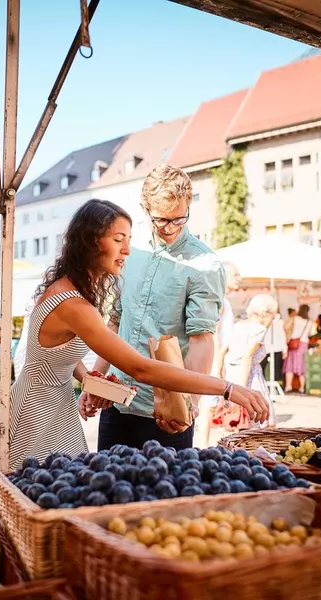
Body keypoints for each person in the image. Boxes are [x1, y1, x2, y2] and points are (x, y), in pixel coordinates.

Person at [0, 199, 268, 490]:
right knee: (39, 504)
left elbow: (55, 353)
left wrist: (87, 378)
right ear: (91, 241)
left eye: (128, 239)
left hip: (53, 407)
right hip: (36, 414)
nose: (127, 250)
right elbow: (140, 368)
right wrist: (227, 388)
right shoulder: (74, 305)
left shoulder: (70, 290)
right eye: (118, 240)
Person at [80, 165, 227, 451]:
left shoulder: (205, 264)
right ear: (145, 209)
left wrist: (191, 405)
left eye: (179, 219)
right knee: (108, 491)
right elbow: (114, 323)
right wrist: (93, 381)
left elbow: (201, 340)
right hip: (117, 402)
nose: (170, 228)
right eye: (161, 220)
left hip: (167, 412)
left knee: (164, 494)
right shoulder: (130, 252)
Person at [216, 294, 277, 430]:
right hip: (249, 377)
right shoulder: (259, 329)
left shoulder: (237, 325)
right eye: (274, 314)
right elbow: (246, 358)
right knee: (258, 423)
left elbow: (223, 351)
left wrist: (220, 374)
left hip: (231, 376)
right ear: (266, 314)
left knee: (235, 424)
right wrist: (242, 390)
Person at [196, 261, 240, 448]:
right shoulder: (219, 300)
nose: (240, 278)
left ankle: (204, 443)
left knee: (211, 405)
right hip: (214, 358)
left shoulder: (223, 301)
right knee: (209, 404)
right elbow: (213, 333)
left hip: (218, 357)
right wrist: (218, 364)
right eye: (236, 274)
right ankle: (203, 444)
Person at [284, 304, 312, 393]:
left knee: (290, 364)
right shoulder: (309, 322)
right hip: (304, 344)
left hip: (294, 343)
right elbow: (310, 333)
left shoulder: (295, 318)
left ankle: (288, 386)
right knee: (301, 364)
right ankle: (302, 387)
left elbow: (285, 327)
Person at [261, 311, 287, 387]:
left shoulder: (277, 322)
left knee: (273, 368)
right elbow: (282, 335)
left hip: (272, 347)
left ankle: (268, 386)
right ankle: (265, 385)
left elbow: (282, 335)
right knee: (274, 368)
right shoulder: (277, 322)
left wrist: (284, 348)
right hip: (270, 348)